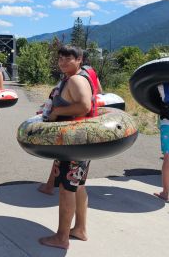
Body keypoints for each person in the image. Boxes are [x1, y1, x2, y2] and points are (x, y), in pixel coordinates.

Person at [39, 45, 97, 250]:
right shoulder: (76, 76)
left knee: (66, 190)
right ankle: (79, 229)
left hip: (73, 142)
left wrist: (55, 112)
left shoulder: (76, 79)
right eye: (60, 58)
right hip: (81, 142)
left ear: (79, 59)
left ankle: (61, 238)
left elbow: (84, 106)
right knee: (78, 185)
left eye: (68, 58)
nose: (63, 61)